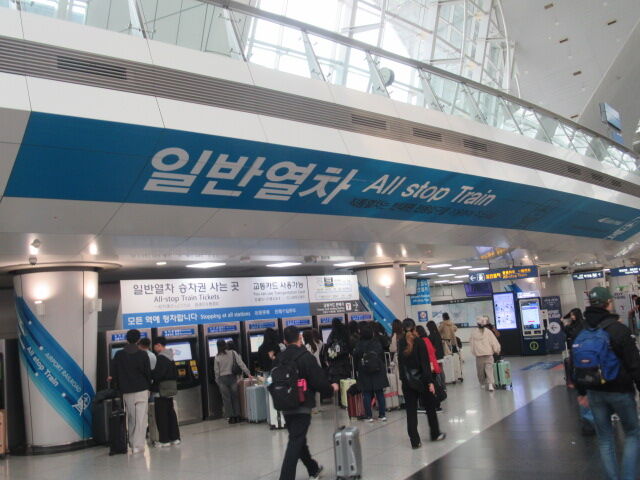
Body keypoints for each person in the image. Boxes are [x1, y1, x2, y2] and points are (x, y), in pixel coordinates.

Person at [576, 287, 640, 480]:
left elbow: (576, 363)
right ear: (608, 303)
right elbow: (634, 364)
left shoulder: (583, 330)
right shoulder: (619, 329)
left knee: (605, 439)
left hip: (594, 391)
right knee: (632, 434)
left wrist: (582, 392)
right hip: (620, 391)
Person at [276, 326, 338, 480]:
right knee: (295, 441)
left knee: (298, 439)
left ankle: (313, 469)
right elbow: (318, 381)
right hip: (302, 405)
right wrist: (331, 388)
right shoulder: (305, 357)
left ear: (285, 341)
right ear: (300, 338)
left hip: (285, 405)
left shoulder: (279, 358)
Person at [397, 318, 445, 448]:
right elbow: (425, 364)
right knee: (430, 408)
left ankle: (415, 441)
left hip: (408, 383)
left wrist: (403, 380)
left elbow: (401, 365)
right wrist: (430, 381)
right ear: (414, 328)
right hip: (422, 381)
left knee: (411, 412)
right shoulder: (420, 342)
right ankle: (435, 433)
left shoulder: (401, 343)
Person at [111, 329, 151, 454]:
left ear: (126, 339)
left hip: (127, 391)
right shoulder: (143, 354)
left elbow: (114, 373)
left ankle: (132, 442)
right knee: (141, 418)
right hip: (142, 389)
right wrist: (149, 385)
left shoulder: (119, 354)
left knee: (132, 417)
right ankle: (138, 445)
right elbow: (147, 372)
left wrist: (117, 386)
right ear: (138, 340)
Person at [353, 322, 388, 422]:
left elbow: (356, 357)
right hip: (377, 370)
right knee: (379, 393)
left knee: (367, 393)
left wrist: (356, 370)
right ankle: (382, 415)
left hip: (364, 370)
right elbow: (381, 355)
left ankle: (369, 416)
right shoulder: (376, 343)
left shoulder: (359, 344)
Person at [214, 339, 252, 424]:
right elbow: (241, 364)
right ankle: (237, 416)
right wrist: (248, 373)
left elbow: (216, 371)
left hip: (222, 379)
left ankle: (231, 418)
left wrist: (217, 381)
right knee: (235, 397)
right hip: (232, 377)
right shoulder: (233, 353)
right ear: (225, 345)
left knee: (226, 399)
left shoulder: (217, 357)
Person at [151, 337, 180, 447]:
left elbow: (159, 374)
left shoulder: (161, 357)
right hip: (170, 389)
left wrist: (151, 375)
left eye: (154, 346)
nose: (154, 348)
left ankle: (164, 440)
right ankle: (175, 438)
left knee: (161, 414)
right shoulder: (170, 356)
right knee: (170, 413)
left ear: (158, 345)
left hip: (161, 389)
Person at [469, 315, 501, 392]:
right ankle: (490, 385)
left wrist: (474, 352)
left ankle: (482, 383)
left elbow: (472, 344)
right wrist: (497, 350)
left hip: (479, 355)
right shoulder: (488, 332)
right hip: (488, 354)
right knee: (489, 370)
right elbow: (494, 342)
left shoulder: (474, 333)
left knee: (480, 370)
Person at [417, 325, 443, 411]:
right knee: (433, 385)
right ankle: (436, 404)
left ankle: (434, 405)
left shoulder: (421, 341)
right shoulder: (427, 339)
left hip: (428, 366)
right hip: (433, 365)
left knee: (430, 386)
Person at [303, 329, 324, 413]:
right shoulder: (316, 344)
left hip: (311, 369)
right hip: (318, 367)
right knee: (318, 389)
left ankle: (314, 408)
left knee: (312, 389)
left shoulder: (307, 347)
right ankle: (319, 407)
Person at [326, 318, 352, 382]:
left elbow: (328, 350)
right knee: (345, 384)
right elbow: (349, 347)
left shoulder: (332, 335)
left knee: (336, 384)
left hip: (334, 367)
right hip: (345, 365)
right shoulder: (345, 334)